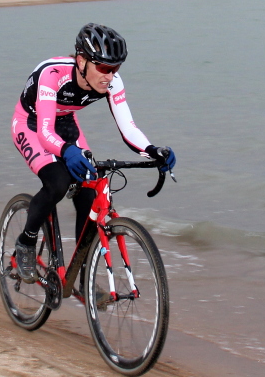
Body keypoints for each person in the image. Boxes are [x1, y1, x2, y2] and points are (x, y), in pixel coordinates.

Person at [10, 23, 176, 285]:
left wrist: (153, 150)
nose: (109, 76)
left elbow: (128, 128)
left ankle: (83, 278)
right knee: (57, 183)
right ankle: (25, 243)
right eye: (103, 68)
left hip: (66, 123)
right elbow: (44, 131)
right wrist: (66, 150)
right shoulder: (52, 74)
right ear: (81, 61)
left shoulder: (112, 82)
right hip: (31, 124)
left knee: (88, 191)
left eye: (115, 68)